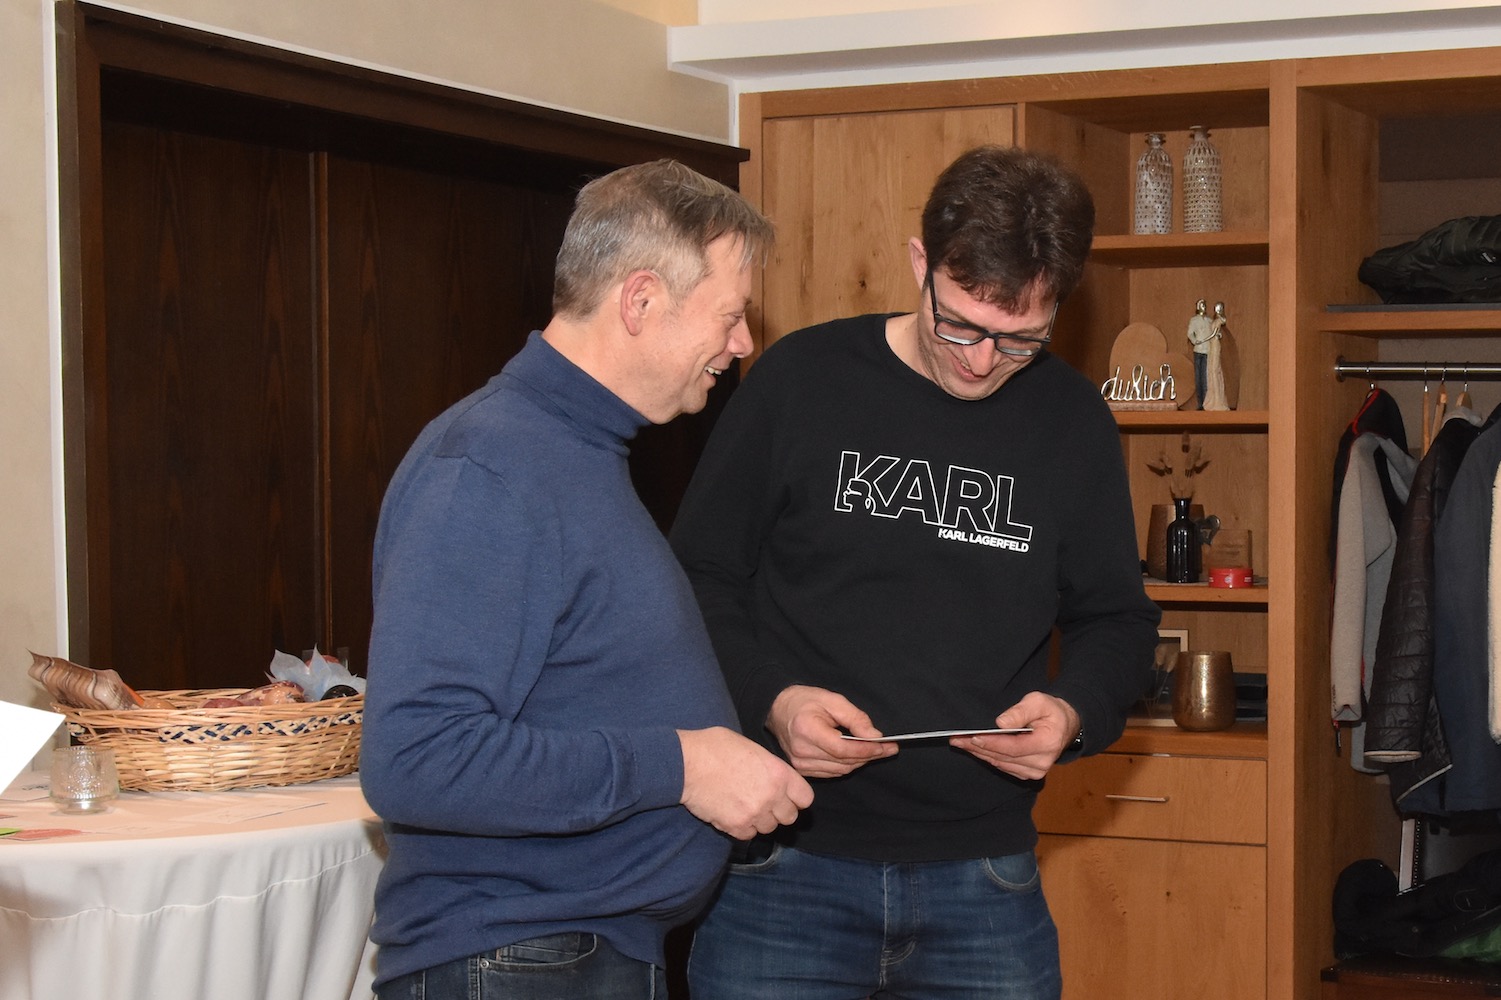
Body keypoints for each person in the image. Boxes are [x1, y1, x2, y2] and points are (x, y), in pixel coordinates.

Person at [669, 145, 1160, 1000]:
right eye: (959, 325)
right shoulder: (799, 380)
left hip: (984, 878)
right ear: (918, 263)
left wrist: (1073, 710)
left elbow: (1116, 618)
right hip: (785, 863)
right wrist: (772, 700)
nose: (981, 360)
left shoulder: (1072, 421)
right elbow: (698, 576)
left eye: (1020, 340)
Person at [359, 159, 815, 1000]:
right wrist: (683, 765)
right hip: (517, 959)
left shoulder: (574, 451)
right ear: (640, 301)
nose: (743, 343)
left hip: (567, 955)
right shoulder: (490, 467)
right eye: (730, 315)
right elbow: (417, 758)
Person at [1186, 297, 1214, 408]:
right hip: (1198, 349)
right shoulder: (1194, 320)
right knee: (1199, 376)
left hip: (1207, 350)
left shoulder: (1209, 321)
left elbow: (1213, 332)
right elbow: (1190, 333)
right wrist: (1194, 341)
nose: (1204, 307)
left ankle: (1206, 401)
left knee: (1206, 376)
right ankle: (1200, 402)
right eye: (1202, 305)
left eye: (1205, 305)